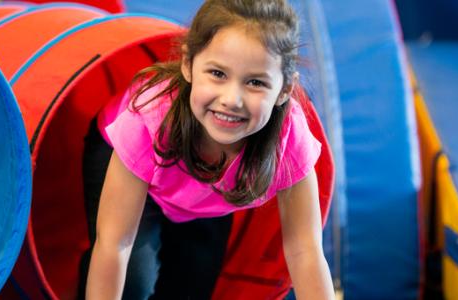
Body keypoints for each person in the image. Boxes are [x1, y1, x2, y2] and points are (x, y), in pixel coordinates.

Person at [82, 0, 335, 299]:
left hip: (207, 193)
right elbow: (115, 245)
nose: (232, 99)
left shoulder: (289, 138)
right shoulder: (149, 120)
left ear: (284, 91)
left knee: (192, 287)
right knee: (133, 285)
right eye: (217, 73)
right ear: (188, 64)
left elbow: (305, 250)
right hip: (125, 159)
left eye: (255, 82)